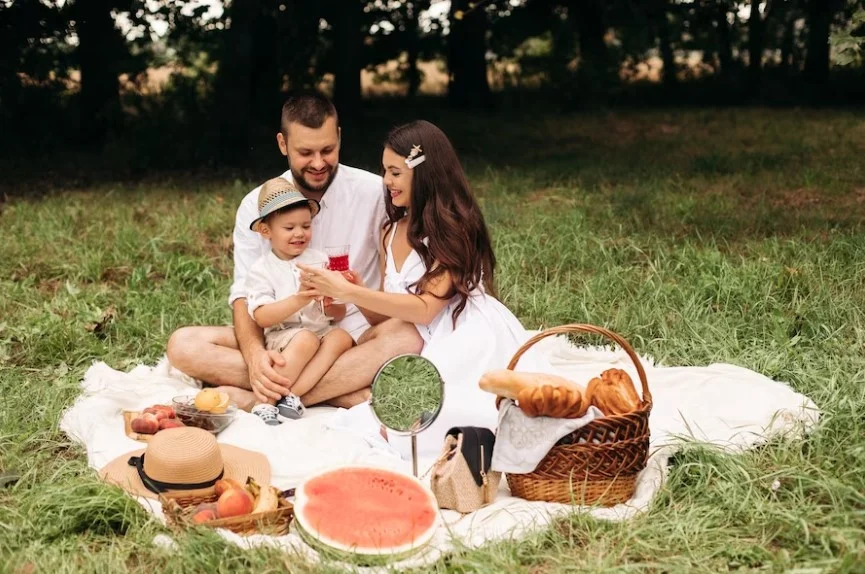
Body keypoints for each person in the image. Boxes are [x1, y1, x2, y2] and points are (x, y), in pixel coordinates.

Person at [298, 119, 543, 458]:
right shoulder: (390, 230)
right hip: (411, 333)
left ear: (424, 173)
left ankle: (292, 396)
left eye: (396, 172)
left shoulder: (453, 228)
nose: (387, 182)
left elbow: (429, 307)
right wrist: (352, 290)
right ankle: (303, 394)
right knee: (389, 368)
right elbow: (384, 318)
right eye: (385, 171)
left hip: (460, 332)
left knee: (440, 408)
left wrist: (353, 294)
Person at [166, 93, 423, 411]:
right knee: (184, 345)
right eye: (305, 152)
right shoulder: (256, 205)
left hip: (351, 336)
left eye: (327, 149)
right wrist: (256, 357)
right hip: (282, 336)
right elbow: (245, 298)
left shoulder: (375, 193)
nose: (318, 163)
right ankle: (336, 391)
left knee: (406, 336)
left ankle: (264, 398)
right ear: (282, 144)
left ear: (339, 137)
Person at [243, 177, 354, 425]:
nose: (299, 233)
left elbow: (338, 315)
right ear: (266, 231)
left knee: (342, 337)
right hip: (285, 337)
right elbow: (261, 317)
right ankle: (266, 401)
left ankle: (292, 395)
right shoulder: (262, 269)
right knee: (305, 339)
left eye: (305, 226)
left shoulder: (319, 259)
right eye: (289, 227)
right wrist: (299, 298)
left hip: (320, 331)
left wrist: (330, 300)